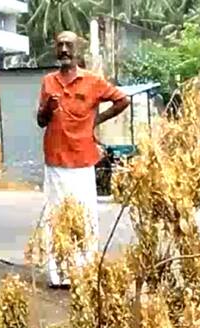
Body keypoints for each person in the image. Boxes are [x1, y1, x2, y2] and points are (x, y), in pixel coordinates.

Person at [35, 31, 130, 287]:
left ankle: (84, 271)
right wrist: (47, 109)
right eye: (60, 45)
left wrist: (96, 121)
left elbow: (122, 101)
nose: (64, 50)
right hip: (55, 161)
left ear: (78, 50)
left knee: (85, 216)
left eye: (69, 45)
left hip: (83, 160)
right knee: (56, 216)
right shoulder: (48, 81)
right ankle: (59, 274)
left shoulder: (93, 81)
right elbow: (41, 121)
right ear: (56, 50)